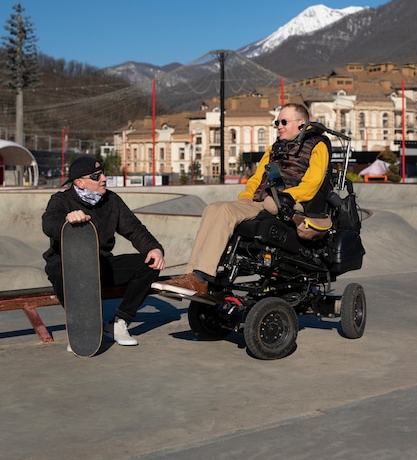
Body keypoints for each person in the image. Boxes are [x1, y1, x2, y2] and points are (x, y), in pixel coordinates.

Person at [152, 103, 331, 297]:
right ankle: (191, 275)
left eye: (284, 122)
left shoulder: (318, 145)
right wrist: (246, 196)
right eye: (277, 122)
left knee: (227, 212)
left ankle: (202, 277)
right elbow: (256, 178)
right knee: (213, 208)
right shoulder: (274, 148)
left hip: (289, 204)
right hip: (262, 201)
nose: (279, 125)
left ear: (301, 123)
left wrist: (287, 197)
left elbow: (313, 182)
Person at [42, 155, 165, 348]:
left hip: (100, 264)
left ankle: (119, 322)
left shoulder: (111, 201)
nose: (104, 178)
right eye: (96, 176)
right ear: (79, 182)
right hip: (68, 264)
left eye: (103, 173)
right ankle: (83, 326)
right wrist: (67, 219)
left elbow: (133, 228)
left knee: (150, 263)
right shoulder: (61, 200)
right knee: (59, 270)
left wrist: (153, 248)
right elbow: (48, 223)